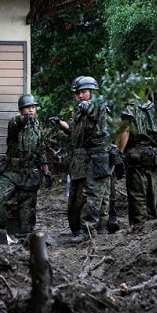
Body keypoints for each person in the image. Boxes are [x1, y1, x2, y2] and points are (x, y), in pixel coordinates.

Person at [50, 76, 111, 244]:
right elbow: (75, 132)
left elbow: (93, 108)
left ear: (92, 92)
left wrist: (87, 105)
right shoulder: (80, 111)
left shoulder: (97, 105)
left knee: (93, 195)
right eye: (77, 93)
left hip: (97, 158)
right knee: (77, 198)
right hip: (82, 160)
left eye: (84, 92)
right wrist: (60, 123)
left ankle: (89, 230)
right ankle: (82, 229)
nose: (80, 96)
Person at [0, 94, 52, 238]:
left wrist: (46, 172)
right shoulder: (15, 122)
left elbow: (41, 151)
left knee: (27, 208)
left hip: (29, 174)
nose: (31, 110)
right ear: (21, 110)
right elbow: (16, 124)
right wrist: (23, 120)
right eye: (27, 107)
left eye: (33, 107)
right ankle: (0, 230)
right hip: (11, 172)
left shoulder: (38, 127)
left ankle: (25, 237)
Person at [118, 95, 157, 227]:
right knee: (152, 188)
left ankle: (140, 225)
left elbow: (125, 130)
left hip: (135, 153)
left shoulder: (129, 108)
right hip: (152, 153)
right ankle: (151, 221)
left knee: (137, 192)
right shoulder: (152, 107)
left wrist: (120, 152)